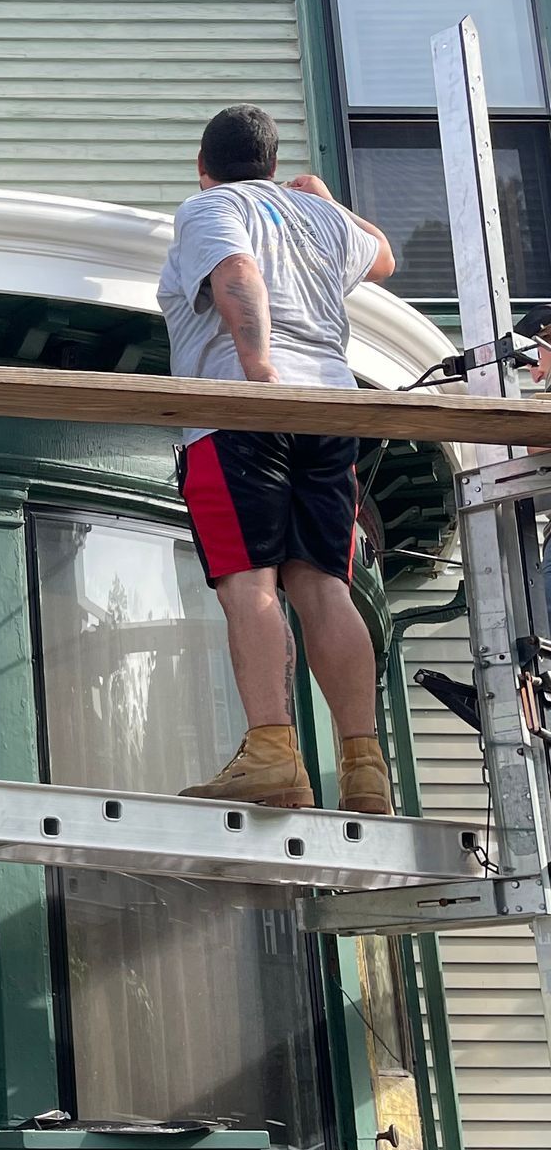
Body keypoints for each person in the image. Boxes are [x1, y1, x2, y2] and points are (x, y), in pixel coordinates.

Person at [156, 104, 398, 814]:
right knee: (323, 586)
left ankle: (272, 755)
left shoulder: (211, 208)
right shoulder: (317, 218)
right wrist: (321, 196)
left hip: (243, 412)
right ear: (271, 163)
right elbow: (382, 255)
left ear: (204, 168)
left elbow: (236, 272)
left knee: (249, 580)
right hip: (329, 410)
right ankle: (365, 769)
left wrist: (258, 367)